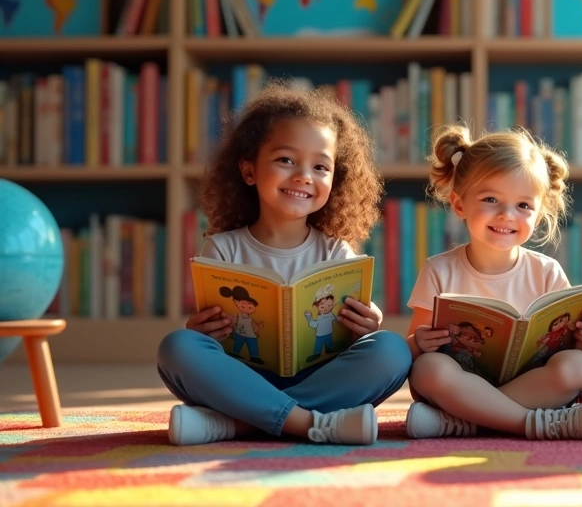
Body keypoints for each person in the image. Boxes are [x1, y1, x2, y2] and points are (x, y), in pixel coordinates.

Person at [157, 84, 411, 446]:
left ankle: (238, 424)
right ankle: (312, 423)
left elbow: (360, 338)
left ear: (334, 179)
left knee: (392, 350)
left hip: (319, 377)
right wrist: (199, 330)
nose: (304, 176)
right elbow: (208, 337)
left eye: (320, 166)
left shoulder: (336, 252)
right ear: (249, 171)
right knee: (177, 347)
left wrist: (367, 322)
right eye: (286, 160)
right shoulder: (222, 248)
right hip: (244, 378)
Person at [404, 124, 582, 440]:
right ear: (459, 205)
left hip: (522, 386)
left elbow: (563, 348)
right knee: (430, 370)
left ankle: (463, 422)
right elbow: (414, 349)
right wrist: (419, 342)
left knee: (578, 366)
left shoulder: (547, 271)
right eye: (490, 199)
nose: (507, 215)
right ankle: (530, 423)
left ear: (538, 215)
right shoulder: (439, 270)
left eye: (523, 205)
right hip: (459, 384)